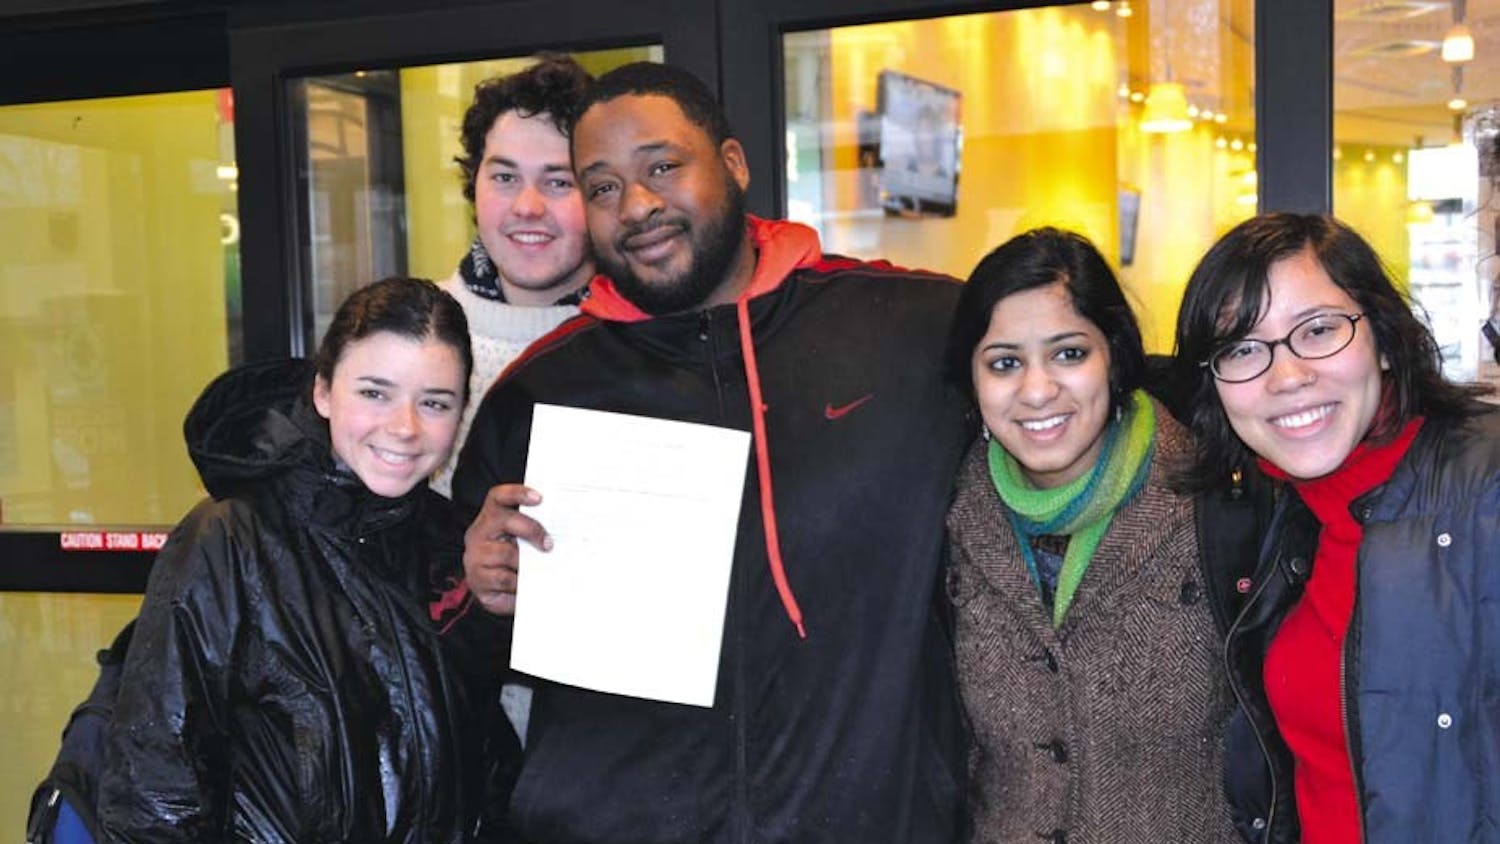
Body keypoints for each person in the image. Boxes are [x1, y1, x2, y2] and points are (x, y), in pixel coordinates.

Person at [451, 61, 971, 842]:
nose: (638, 206)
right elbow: (462, 656)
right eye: (601, 187)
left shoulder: (912, 328)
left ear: (732, 163)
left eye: (663, 166)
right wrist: (477, 590)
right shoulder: (542, 390)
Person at [96, 277, 482, 842]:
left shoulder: (452, 548)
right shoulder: (229, 541)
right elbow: (153, 789)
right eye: (374, 392)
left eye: (434, 403)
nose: (405, 427)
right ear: (323, 392)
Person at [1172, 213, 1500, 843]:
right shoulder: (1282, 516)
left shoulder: (1484, 494)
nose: (1287, 375)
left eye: (1318, 330)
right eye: (1242, 348)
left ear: (1383, 336)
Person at [943, 227, 1239, 844]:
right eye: (1004, 363)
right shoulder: (945, 514)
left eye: (1069, 353)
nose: (1037, 389)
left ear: (1115, 354)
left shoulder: (1216, 500)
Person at [431, 53, 595, 497]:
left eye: (559, 182)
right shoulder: (411, 329)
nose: (527, 206)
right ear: (473, 186)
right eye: (504, 176)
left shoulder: (650, 338)